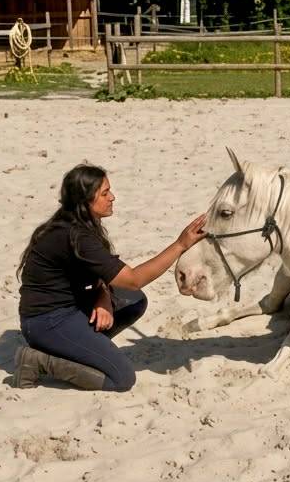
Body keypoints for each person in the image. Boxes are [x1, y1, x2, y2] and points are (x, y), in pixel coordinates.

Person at [14, 163, 206, 391]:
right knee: (122, 378)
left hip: (69, 308)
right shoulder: (75, 236)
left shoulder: (79, 225)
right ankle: (39, 361)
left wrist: (102, 298)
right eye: (104, 193)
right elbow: (133, 279)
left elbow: (103, 277)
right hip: (46, 322)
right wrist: (180, 245)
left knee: (134, 300)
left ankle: (82, 350)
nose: (112, 197)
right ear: (84, 200)